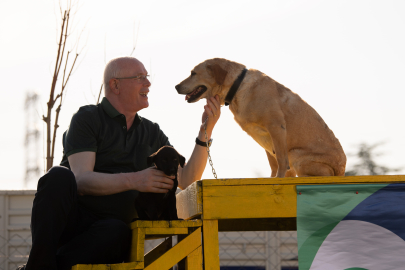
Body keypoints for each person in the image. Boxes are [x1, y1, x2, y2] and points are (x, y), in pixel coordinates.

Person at [19, 56, 221, 270]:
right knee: (57, 176)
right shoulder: (87, 118)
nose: (148, 83)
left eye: (147, 77)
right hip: (71, 223)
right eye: (139, 77)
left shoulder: (152, 132)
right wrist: (136, 180)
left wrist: (205, 132)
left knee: (117, 232)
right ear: (115, 85)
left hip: (108, 235)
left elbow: (187, 179)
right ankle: (39, 265)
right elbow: (81, 180)